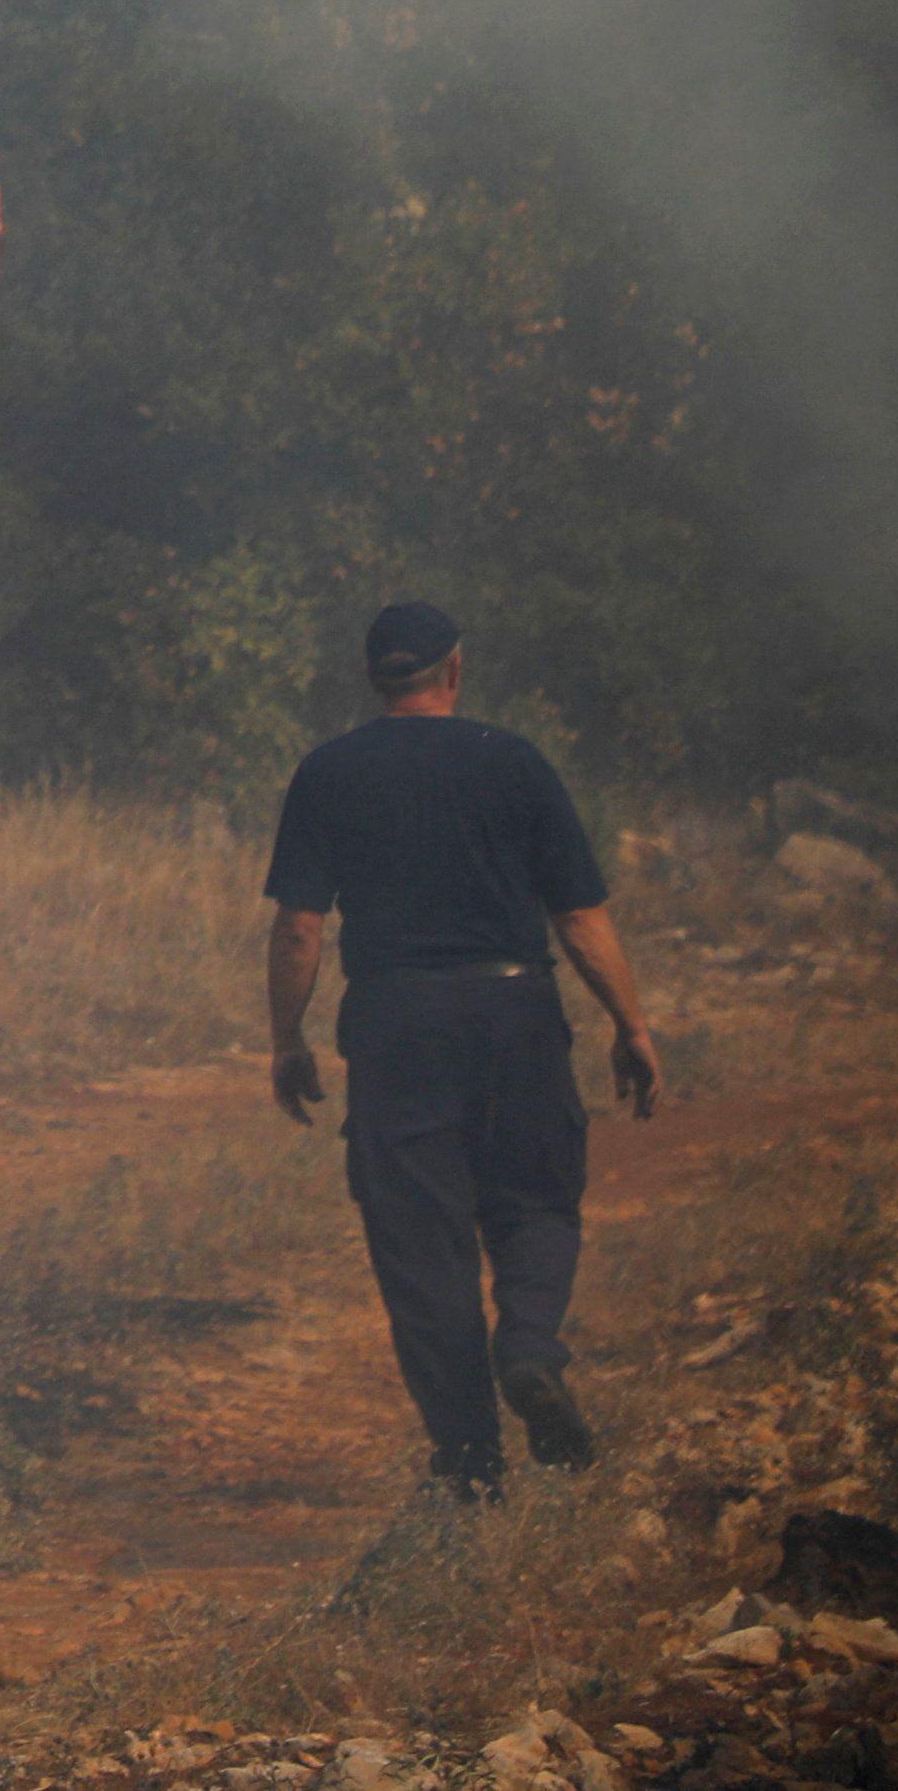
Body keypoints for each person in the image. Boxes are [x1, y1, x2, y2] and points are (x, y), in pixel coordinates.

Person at [264, 599, 668, 1496]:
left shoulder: (328, 771)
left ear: (374, 678)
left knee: (422, 1249)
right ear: (455, 668)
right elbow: (578, 917)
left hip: (396, 1024)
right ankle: (528, 1346)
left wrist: (288, 1040)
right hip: (513, 1012)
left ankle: (473, 1466)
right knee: (538, 1203)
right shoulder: (513, 762)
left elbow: (299, 927)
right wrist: (631, 1025)